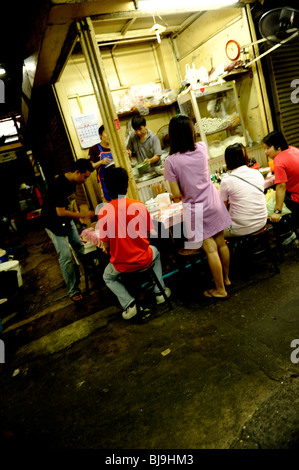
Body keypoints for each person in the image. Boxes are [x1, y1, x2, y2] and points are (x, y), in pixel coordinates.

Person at [164, 114, 232, 299]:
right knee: (221, 244)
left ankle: (220, 290)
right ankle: (226, 279)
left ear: (172, 135)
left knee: (210, 250)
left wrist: (175, 195)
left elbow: (177, 195)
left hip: (196, 209)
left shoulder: (171, 161)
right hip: (213, 201)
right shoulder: (201, 148)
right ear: (191, 132)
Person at [97, 166, 171, 320]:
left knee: (107, 277)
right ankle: (159, 292)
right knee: (156, 252)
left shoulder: (104, 212)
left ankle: (130, 304)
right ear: (127, 185)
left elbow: (106, 246)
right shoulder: (139, 206)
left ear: (107, 188)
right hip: (144, 259)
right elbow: (149, 234)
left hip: (121, 265)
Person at [41, 159, 95, 303]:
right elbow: (60, 212)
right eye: (85, 177)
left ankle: (92, 274)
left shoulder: (74, 182)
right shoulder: (58, 185)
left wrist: (78, 216)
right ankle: (73, 290)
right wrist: (82, 215)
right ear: (77, 172)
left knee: (79, 246)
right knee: (65, 256)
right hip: (53, 222)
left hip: (66, 220)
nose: (85, 180)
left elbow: (71, 203)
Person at [220, 143, 268, 237]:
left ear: (227, 161)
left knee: (213, 233)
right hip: (262, 222)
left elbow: (223, 210)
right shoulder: (257, 173)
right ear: (245, 157)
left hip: (241, 229)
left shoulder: (226, 181)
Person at [263, 131, 299, 234]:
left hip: (296, 198)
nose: (266, 151)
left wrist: (277, 211)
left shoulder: (279, 160)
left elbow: (281, 187)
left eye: (268, 148)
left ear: (278, 147)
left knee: (269, 203)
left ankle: (286, 234)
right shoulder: (293, 149)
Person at [88, 125, 114, 201]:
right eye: (106, 133)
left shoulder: (115, 146)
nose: (109, 135)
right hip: (104, 182)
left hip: (118, 181)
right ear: (100, 135)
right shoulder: (94, 149)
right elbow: (90, 166)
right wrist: (101, 162)